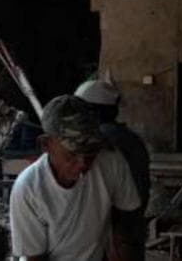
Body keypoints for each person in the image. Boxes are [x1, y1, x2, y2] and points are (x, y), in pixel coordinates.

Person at [9, 95, 141, 261]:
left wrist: (121, 246)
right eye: (72, 154)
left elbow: (127, 224)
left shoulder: (110, 161)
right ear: (46, 144)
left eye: (90, 152)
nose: (82, 164)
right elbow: (34, 257)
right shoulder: (28, 189)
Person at [75, 79, 150, 260]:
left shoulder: (101, 142)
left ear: (93, 110)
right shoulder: (133, 140)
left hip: (111, 232)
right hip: (131, 225)